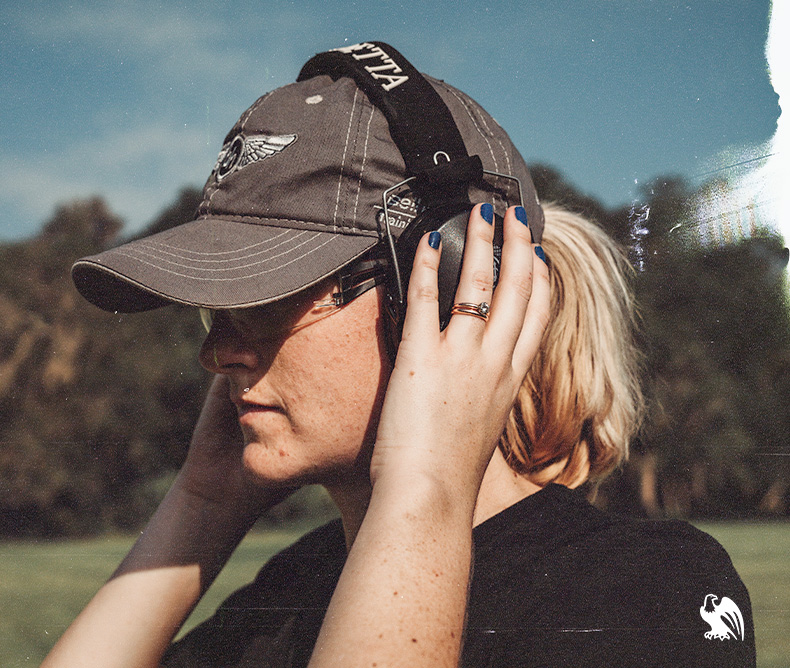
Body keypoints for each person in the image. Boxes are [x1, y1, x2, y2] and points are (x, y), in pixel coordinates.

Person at [43, 42, 755, 667]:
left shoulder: (643, 591)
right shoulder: (295, 590)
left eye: (266, 300)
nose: (218, 351)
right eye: (217, 308)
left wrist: (428, 481)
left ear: (453, 290)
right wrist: (200, 506)